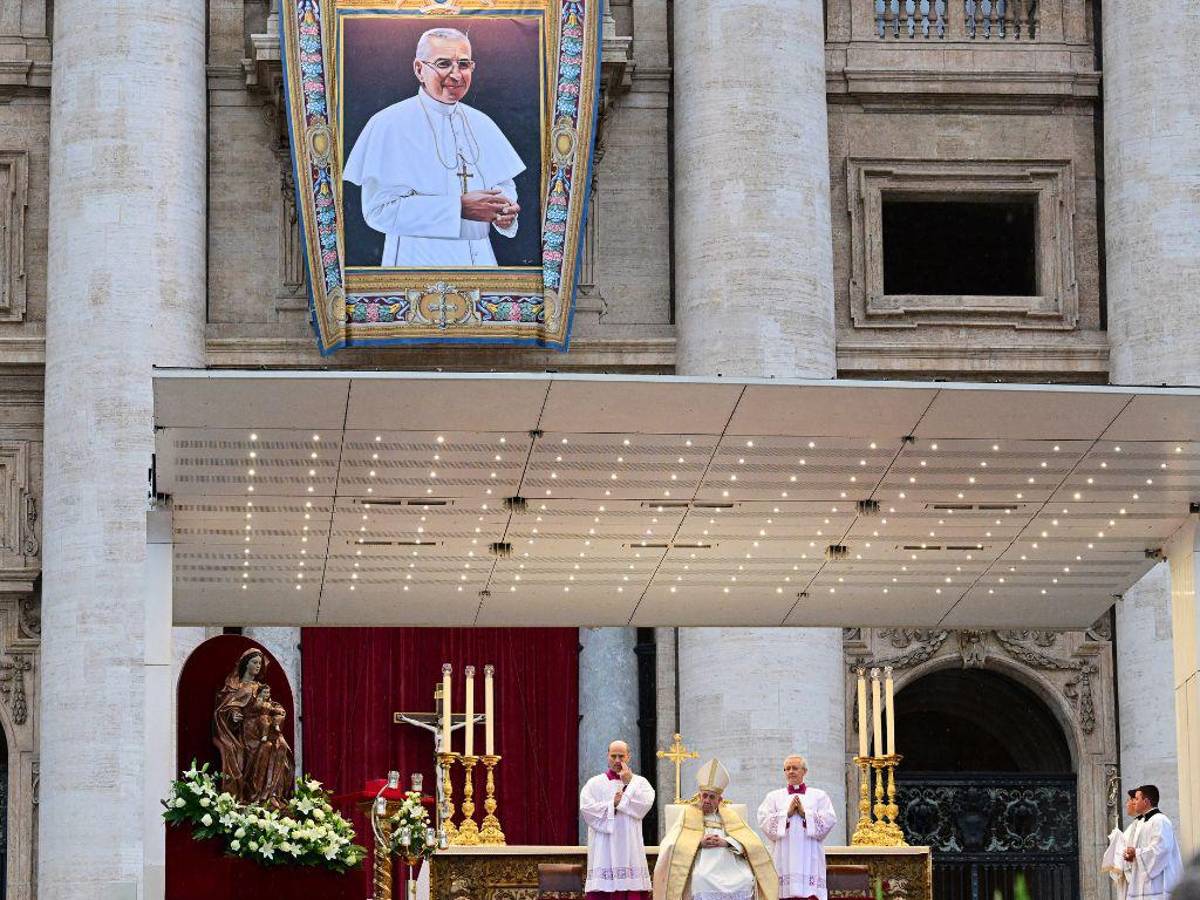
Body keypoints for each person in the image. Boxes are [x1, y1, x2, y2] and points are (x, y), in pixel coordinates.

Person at [343, 27, 525, 267]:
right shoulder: (388, 123)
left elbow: (504, 186)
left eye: (463, 64)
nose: (456, 75)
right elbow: (378, 211)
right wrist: (457, 208)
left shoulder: (482, 123)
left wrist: (505, 215)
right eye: (443, 64)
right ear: (419, 69)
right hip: (415, 262)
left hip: (481, 264)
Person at [653, 759, 778, 900]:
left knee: (746, 879)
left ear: (719, 800)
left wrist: (726, 842)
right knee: (700, 878)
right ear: (699, 796)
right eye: (704, 796)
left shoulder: (731, 814)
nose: (707, 800)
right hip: (701, 860)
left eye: (712, 797)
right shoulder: (688, 813)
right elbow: (671, 840)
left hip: (730, 861)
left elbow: (751, 841)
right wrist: (698, 842)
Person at [580, 740, 656, 900]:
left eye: (621, 756)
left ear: (629, 757)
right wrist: (612, 804)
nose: (617, 760)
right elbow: (587, 809)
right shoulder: (594, 784)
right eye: (613, 756)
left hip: (630, 847)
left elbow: (645, 804)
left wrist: (628, 784)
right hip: (604, 849)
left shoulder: (640, 783)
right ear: (607, 756)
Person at [757, 755, 837, 900]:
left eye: (795, 768)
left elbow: (829, 820)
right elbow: (764, 821)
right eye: (787, 769)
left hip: (809, 853)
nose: (791, 771)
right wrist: (785, 815)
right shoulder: (773, 796)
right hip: (783, 852)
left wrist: (805, 814)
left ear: (804, 771)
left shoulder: (819, 795)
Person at [213, 648, 268, 801]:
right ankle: (240, 796)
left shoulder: (260, 688)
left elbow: (268, 707)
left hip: (259, 729)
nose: (258, 666)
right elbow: (225, 708)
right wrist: (233, 715)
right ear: (246, 664)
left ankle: (259, 795)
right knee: (239, 750)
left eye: (260, 663)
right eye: (254, 662)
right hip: (240, 732)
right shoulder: (234, 686)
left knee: (277, 746)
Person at [1120, 784, 1183, 899]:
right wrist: (1132, 856)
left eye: (1137, 799)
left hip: (1158, 883)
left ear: (1146, 801)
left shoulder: (1160, 820)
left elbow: (1161, 850)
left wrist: (1137, 853)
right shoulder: (1143, 822)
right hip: (1144, 882)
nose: (1134, 802)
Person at [242, 685, 295, 808]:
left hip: (269, 732)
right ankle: (258, 793)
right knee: (266, 747)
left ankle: (274, 793)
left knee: (280, 746)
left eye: (268, 692)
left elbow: (277, 710)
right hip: (252, 733)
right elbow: (246, 711)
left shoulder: (270, 704)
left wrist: (278, 715)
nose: (258, 665)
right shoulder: (252, 702)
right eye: (255, 663)